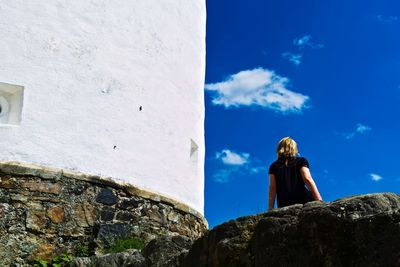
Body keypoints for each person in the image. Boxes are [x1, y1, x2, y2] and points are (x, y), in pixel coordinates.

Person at [268, 137, 322, 211]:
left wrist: (270, 209)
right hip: (303, 200)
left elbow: (272, 188)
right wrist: (319, 200)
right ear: (293, 148)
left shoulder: (273, 166)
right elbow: (307, 178)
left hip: (283, 203)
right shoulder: (301, 161)